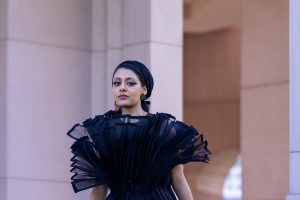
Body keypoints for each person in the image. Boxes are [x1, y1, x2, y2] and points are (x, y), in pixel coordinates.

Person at [67, 60, 211, 200]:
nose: (122, 88)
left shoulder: (162, 128)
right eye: (117, 83)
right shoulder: (102, 131)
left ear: (144, 89)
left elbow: (178, 180)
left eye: (130, 83)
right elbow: (99, 188)